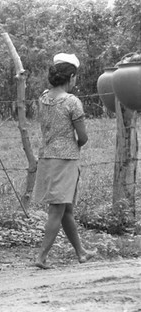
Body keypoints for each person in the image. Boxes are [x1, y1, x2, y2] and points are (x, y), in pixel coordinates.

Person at [34, 53, 95, 269]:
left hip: (47, 157)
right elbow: (83, 136)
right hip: (66, 160)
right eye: (75, 77)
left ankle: (81, 252)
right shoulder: (72, 102)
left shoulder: (43, 98)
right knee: (57, 209)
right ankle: (41, 257)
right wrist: (76, 144)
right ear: (70, 77)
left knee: (65, 207)